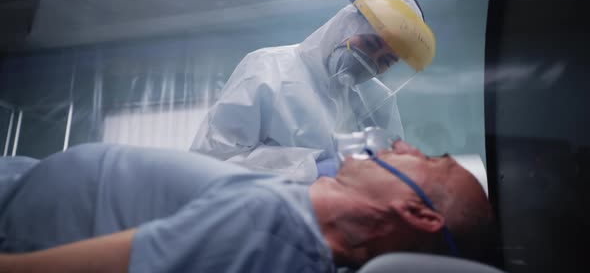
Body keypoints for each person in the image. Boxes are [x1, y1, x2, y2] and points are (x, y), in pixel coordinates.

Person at [0, 139, 491, 272]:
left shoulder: (280, 237)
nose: (403, 144)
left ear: (420, 213)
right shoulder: (296, 221)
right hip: (23, 186)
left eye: (427, 159)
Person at [191, 0, 436, 182]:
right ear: (346, 24)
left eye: (386, 61)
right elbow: (211, 164)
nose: (371, 62)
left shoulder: (376, 101)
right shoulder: (267, 68)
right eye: (370, 44)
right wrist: (312, 169)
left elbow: (389, 174)